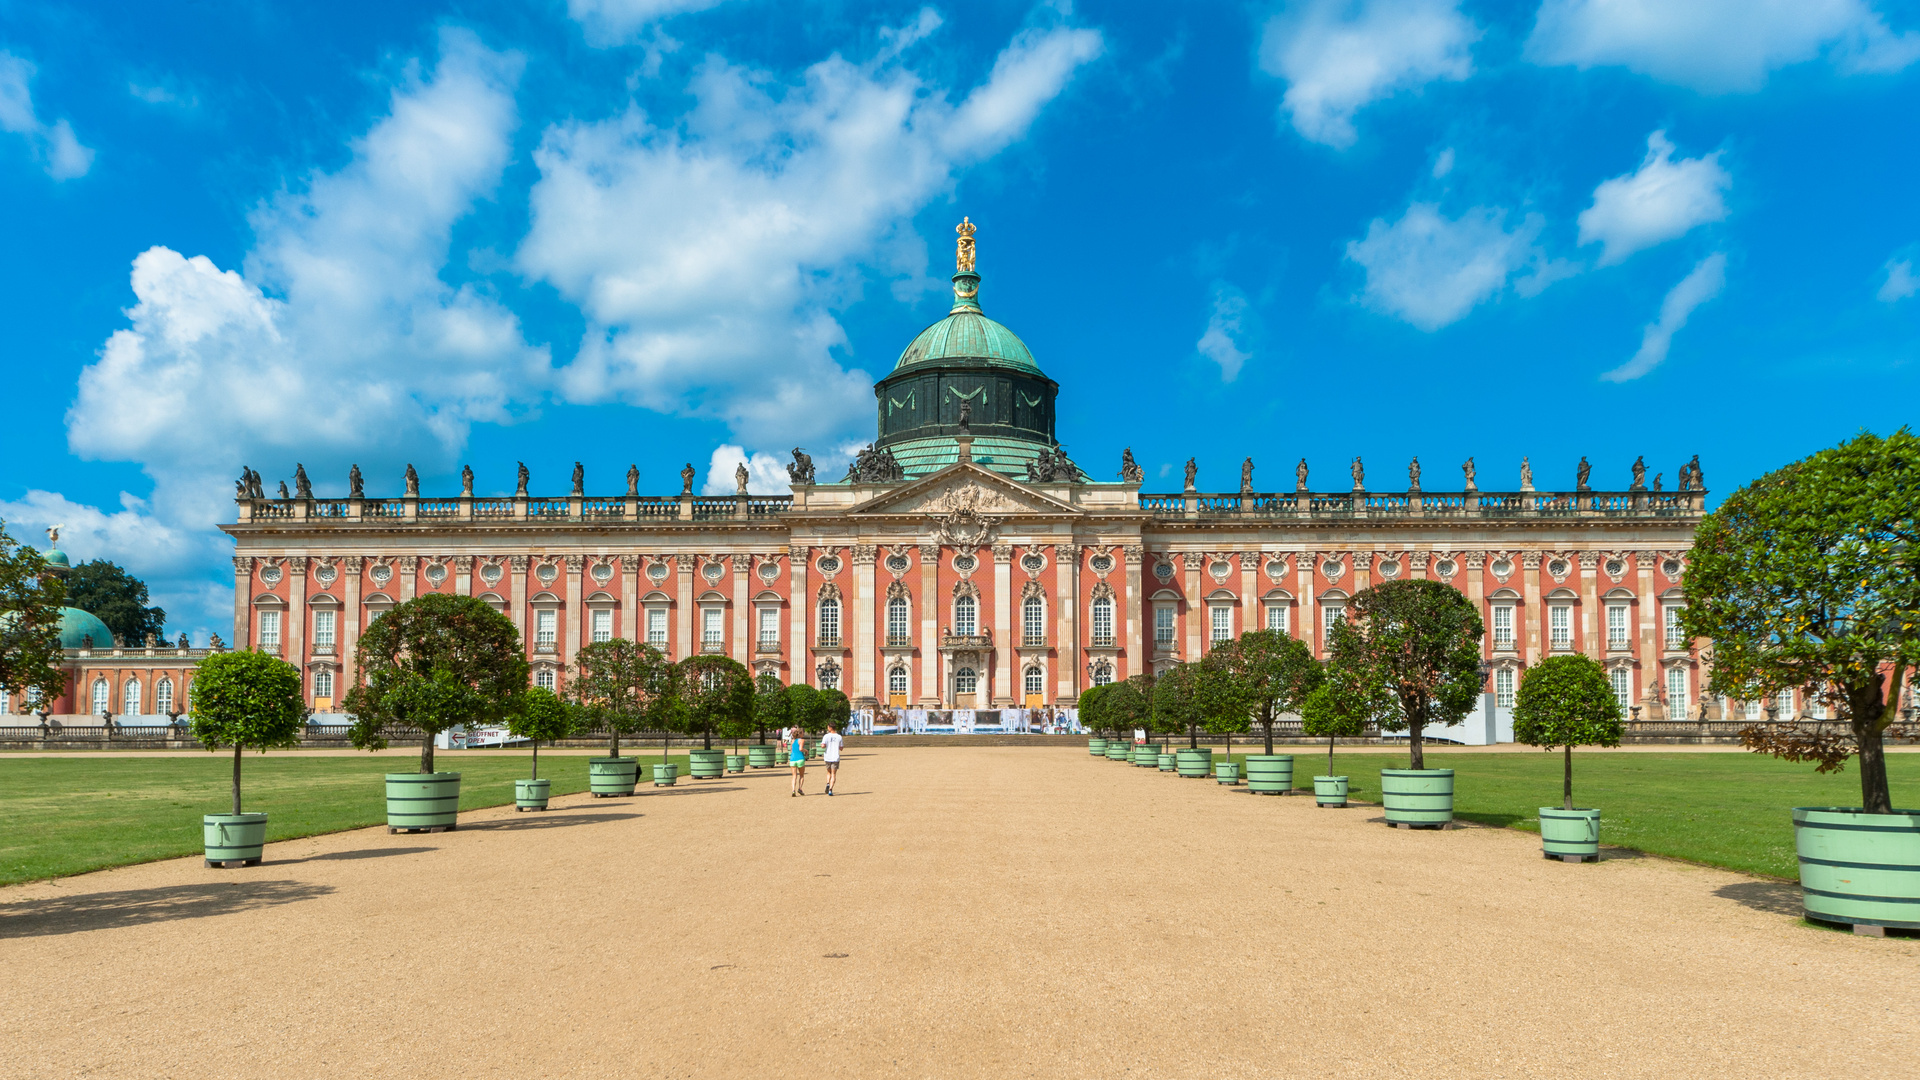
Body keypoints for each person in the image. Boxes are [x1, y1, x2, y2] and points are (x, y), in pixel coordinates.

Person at [821, 723, 844, 795]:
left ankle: (828, 783)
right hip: (835, 757)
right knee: (833, 774)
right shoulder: (839, 737)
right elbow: (841, 748)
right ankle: (830, 789)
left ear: (830, 728)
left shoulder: (826, 736)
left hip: (828, 756)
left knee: (828, 772)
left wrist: (824, 745)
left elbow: (823, 745)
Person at [789, 727, 808, 796]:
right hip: (800, 758)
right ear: (800, 733)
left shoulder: (793, 741)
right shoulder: (801, 740)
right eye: (803, 732)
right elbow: (800, 749)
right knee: (801, 775)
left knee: (794, 776)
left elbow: (791, 750)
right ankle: (800, 788)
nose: (804, 733)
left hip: (792, 759)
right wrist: (806, 751)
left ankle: (793, 790)